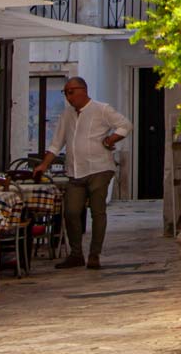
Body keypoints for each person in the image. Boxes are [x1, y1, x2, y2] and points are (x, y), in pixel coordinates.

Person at [34, 76, 132, 269]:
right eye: (65, 93)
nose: (68, 97)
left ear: (82, 90)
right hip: (75, 170)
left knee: (97, 212)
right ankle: (76, 253)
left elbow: (125, 125)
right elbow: (56, 143)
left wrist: (111, 140)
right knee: (71, 211)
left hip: (99, 168)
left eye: (70, 92)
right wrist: (44, 164)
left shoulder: (101, 109)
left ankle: (94, 254)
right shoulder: (67, 115)